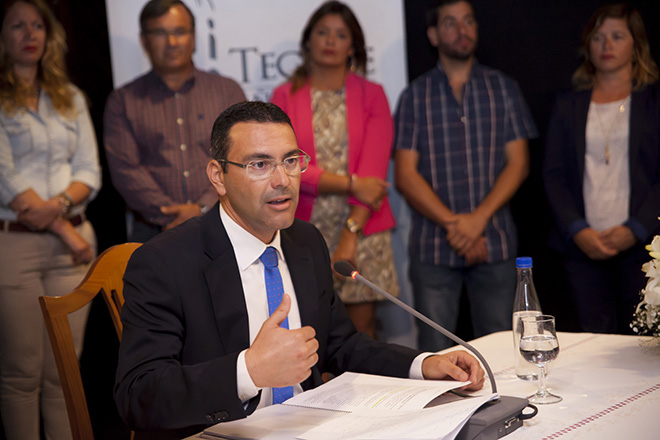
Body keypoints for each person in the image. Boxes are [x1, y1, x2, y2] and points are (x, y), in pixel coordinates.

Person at [114, 101, 485, 439]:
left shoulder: (305, 241)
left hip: (310, 428)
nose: (282, 180)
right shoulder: (165, 262)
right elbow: (138, 395)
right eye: (260, 165)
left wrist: (423, 364)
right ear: (218, 176)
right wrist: (248, 371)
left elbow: (340, 344)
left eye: (290, 161)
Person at [393, 0, 537, 351]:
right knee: (436, 353)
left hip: (494, 241)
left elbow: (518, 164)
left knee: (502, 349)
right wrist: (457, 225)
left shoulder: (503, 87)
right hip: (433, 247)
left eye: (468, 21)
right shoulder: (415, 96)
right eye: (451, 23)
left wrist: (478, 220)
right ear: (433, 35)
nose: (462, 30)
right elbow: (405, 175)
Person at [0, 0, 102, 438]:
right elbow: (5, 176)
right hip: (16, 246)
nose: (30, 34)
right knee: (21, 373)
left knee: (64, 371)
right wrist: (62, 226)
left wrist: (58, 209)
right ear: (2, 37)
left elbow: (90, 172)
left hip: (73, 251)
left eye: (37, 25)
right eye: (18, 26)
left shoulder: (70, 96)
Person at [271, 1, 396, 338]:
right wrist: (352, 184)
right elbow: (289, 164)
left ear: (352, 46)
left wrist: (349, 236)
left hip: (361, 226)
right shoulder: (284, 96)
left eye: (340, 35)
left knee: (361, 331)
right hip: (301, 228)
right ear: (308, 40)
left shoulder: (372, 95)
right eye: (323, 32)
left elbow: (372, 179)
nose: (330, 41)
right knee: (308, 332)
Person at [543, 4, 660, 334]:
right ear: (587, 46)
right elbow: (553, 174)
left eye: (617, 36)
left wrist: (635, 229)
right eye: (598, 38)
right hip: (583, 246)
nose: (607, 45)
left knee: (640, 344)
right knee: (590, 341)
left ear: (636, 44)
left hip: (643, 247)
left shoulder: (653, 102)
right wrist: (578, 229)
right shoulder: (569, 103)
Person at [103, 0, 245, 243]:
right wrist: (171, 215)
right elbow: (126, 170)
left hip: (224, 224)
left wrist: (203, 207)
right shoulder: (123, 101)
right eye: (160, 33)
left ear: (193, 36)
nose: (171, 42)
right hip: (153, 233)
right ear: (144, 40)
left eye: (180, 32)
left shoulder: (227, 92)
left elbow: (241, 157)